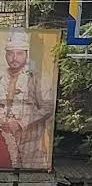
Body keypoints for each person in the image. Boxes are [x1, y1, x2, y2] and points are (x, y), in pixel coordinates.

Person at [0, 28, 53, 170]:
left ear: (26, 54)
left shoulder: (37, 78)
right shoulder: (1, 78)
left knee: (31, 183)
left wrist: (20, 123)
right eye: (10, 53)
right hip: (4, 141)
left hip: (30, 141)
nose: (14, 58)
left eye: (19, 53)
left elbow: (48, 107)